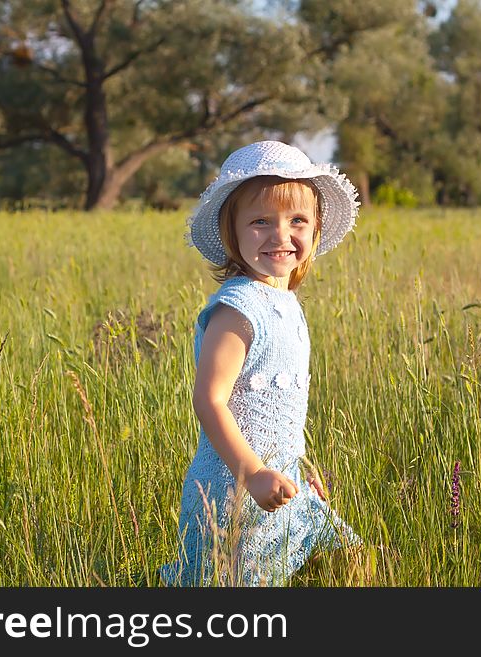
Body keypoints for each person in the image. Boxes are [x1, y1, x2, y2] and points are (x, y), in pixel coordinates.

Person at [160, 140, 362, 587]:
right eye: (260, 222)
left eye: (297, 221)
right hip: (234, 488)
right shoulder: (238, 309)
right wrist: (251, 472)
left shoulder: (286, 301)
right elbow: (210, 399)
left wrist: (301, 471)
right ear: (232, 231)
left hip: (281, 480)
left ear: (315, 227)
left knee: (352, 561)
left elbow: (279, 405)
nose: (281, 236)